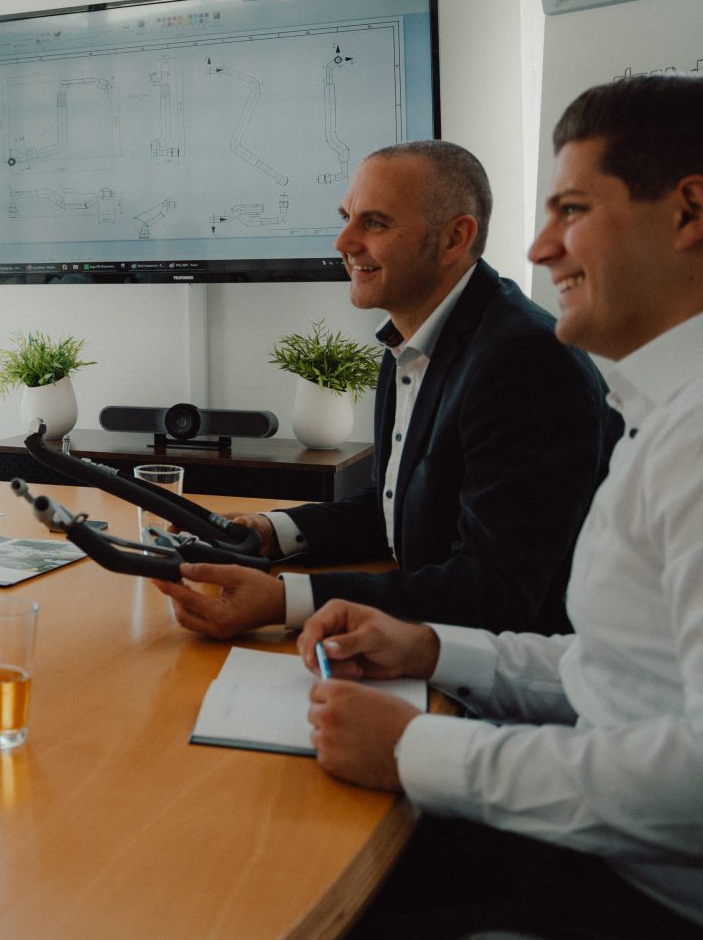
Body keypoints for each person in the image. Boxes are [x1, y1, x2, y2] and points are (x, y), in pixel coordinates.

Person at [298, 75, 703, 937]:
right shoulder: (659, 414)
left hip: (635, 897)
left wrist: (416, 749)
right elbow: (617, 678)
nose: (541, 249)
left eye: (572, 209)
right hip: (592, 843)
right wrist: (433, 647)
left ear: (689, 212)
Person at [158, 140, 613, 639]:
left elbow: (492, 593)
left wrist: (287, 601)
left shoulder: (524, 361)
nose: (343, 242)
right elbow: (398, 508)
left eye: (373, 223)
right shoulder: (412, 337)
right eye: (347, 217)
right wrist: (272, 532)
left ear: (454, 238)